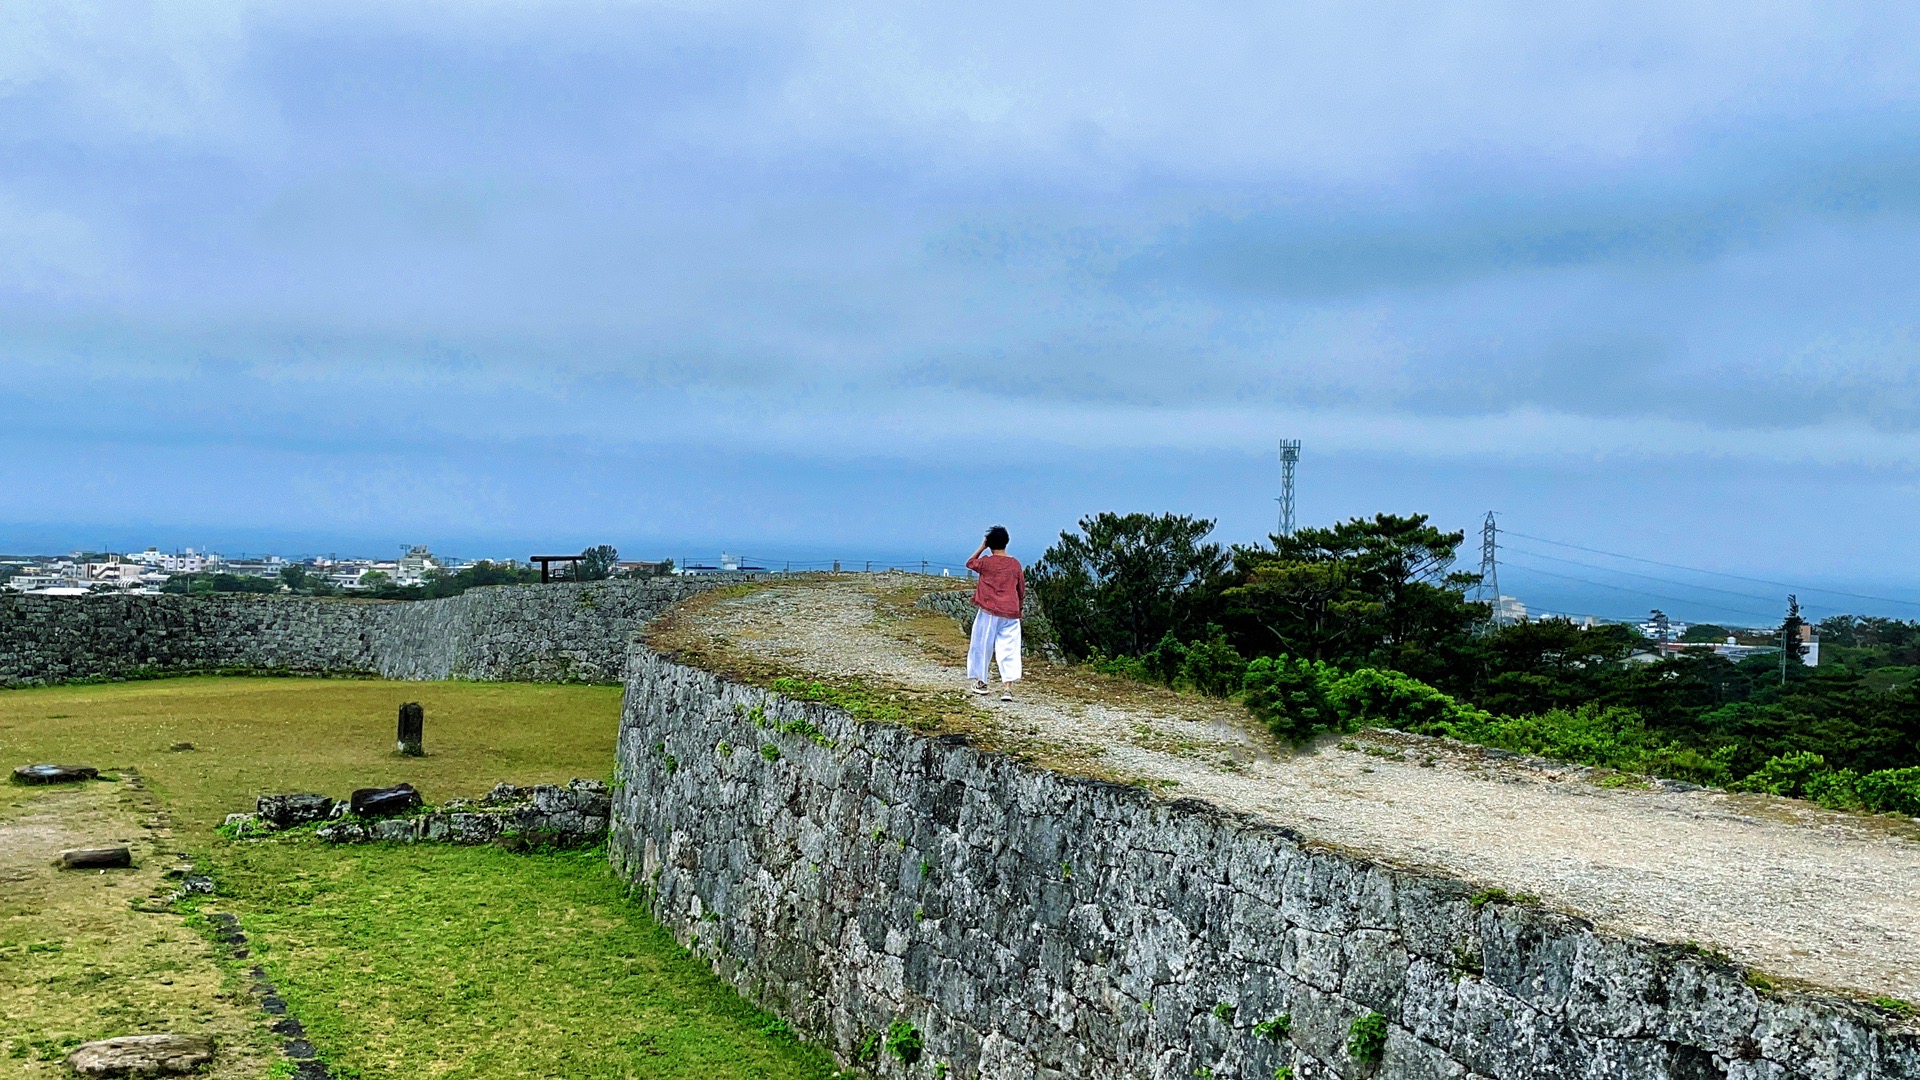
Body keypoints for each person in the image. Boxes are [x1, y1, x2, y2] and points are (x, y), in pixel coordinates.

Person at [965, 526, 1025, 701]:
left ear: (989, 543)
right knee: (1009, 649)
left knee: (982, 645)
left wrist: (982, 547)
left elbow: (969, 563)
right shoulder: (1015, 564)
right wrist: (1019, 608)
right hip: (1011, 612)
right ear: (1006, 542)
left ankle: (982, 682)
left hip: (989, 611)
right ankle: (1007, 688)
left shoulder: (986, 562)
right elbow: (1021, 590)